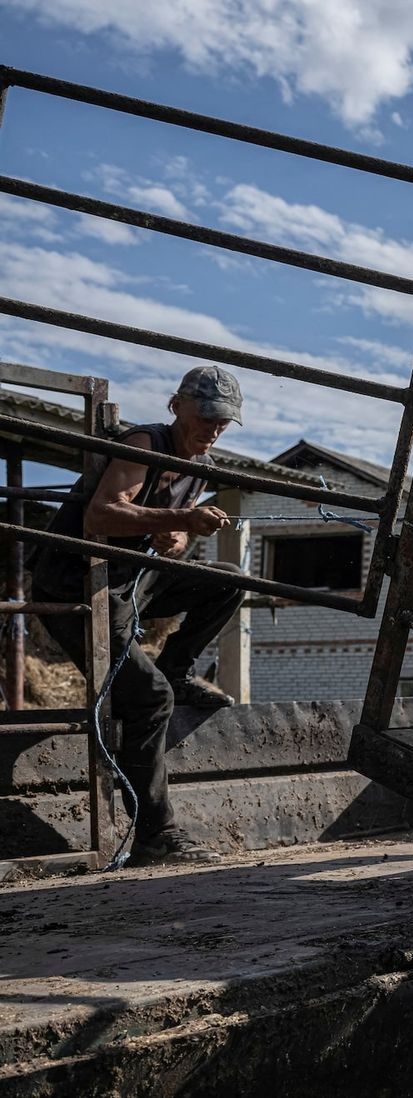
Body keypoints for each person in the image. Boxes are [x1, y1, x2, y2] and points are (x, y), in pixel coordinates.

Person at [30, 365, 247, 866]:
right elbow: (100, 515)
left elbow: (170, 535)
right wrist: (176, 520)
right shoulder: (145, 442)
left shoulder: (200, 463)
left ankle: (177, 668)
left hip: (129, 579)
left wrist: (178, 537)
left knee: (229, 578)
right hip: (77, 586)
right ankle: (155, 836)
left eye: (223, 422)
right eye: (206, 416)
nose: (213, 429)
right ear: (177, 407)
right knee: (148, 699)